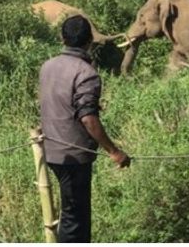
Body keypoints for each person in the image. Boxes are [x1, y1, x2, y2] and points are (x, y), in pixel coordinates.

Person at [38, 14, 131, 243]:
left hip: (50, 150)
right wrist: (114, 151)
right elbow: (88, 118)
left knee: (71, 213)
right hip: (73, 156)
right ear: (90, 40)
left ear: (62, 38)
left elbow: (60, 100)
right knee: (75, 219)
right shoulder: (86, 73)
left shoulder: (47, 66)